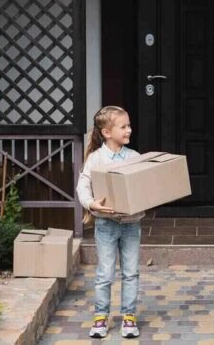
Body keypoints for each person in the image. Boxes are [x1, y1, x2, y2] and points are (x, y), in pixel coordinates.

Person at [76, 106, 143, 339]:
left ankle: (128, 316)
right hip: (105, 225)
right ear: (106, 132)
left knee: (131, 272)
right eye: (123, 126)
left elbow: (143, 187)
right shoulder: (96, 159)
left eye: (129, 125)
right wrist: (91, 203)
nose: (129, 130)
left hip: (131, 224)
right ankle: (100, 317)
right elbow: (83, 185)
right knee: (105, 273)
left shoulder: (135, 157)